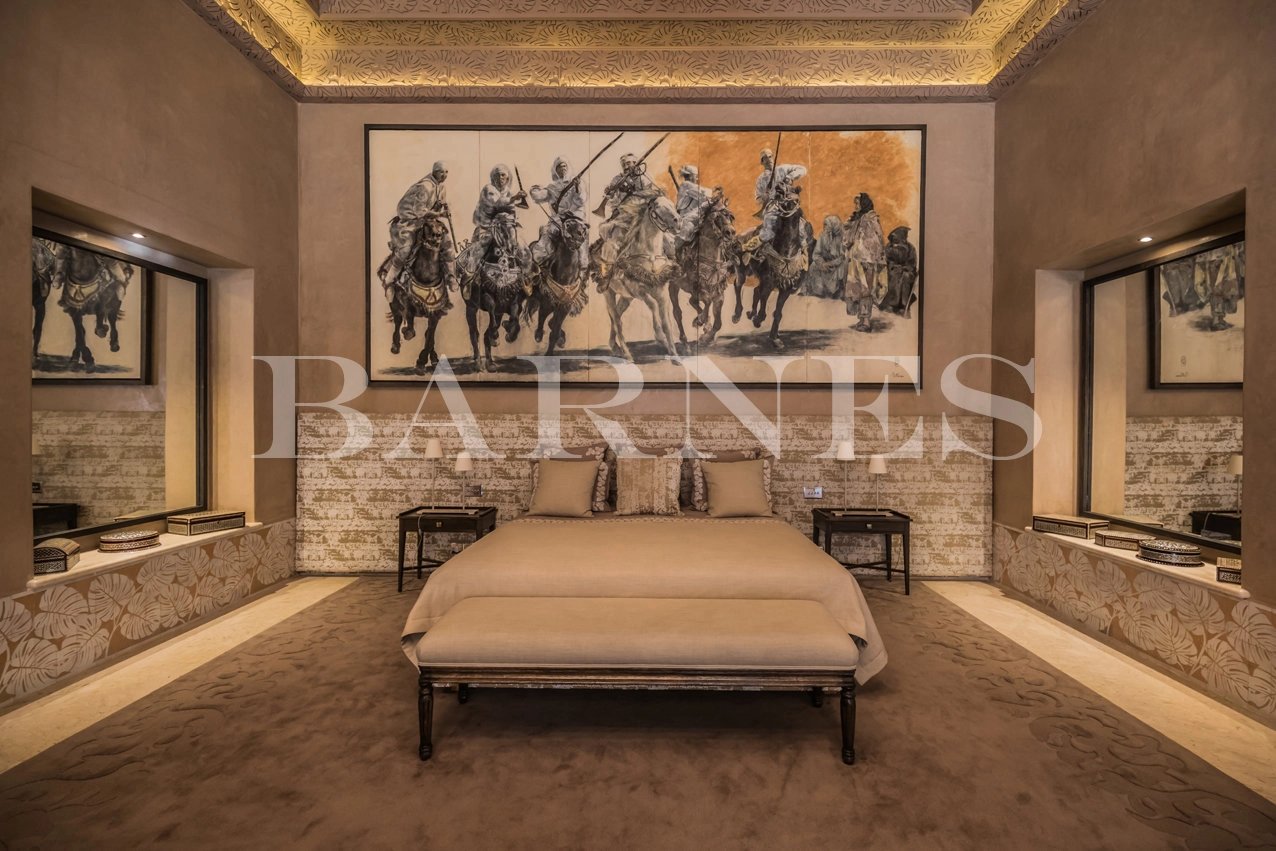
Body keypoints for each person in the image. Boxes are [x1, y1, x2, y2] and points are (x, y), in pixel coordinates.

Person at [594, 152, 665, 291]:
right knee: (611, 243)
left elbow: (653, 193)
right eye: (624, 164)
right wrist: (610, 193)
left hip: (643, 213)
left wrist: (633, 191)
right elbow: (612, 199)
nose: (627, 166)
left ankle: (670, 264)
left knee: (666, 237)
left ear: (635, 164)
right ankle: (605, 276)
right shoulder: (617, 179)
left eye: (629, 163)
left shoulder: (644, 177)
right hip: (623, 215)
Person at [458, 164, 529, 295]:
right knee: (478, 250)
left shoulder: (509, 192)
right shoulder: (489, 189)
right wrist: (515, 198)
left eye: (503, 175)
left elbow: (513, 211)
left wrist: (515, 211)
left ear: (508, 178)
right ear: (493, 177)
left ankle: (526, 278)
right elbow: (497, 202)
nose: (500, 178)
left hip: (506, 226)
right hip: (487, 226)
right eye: (497, 175)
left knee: (523, 249)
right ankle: (468, 280)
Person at [383, 161, 454, 290]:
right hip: (410, 221)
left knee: (447, 242)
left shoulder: (441, 186)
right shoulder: (425, 187)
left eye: (446, 172)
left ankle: (451, 276)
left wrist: (444, 208)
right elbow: (419, 211)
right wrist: (440, 214)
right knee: (405, 248)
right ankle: (390, 278)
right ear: (434, 172)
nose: (444, 175)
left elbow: (439, 205)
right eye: (441, 172)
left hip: (428, 221)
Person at [743, 148, 807, 253]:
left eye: (770, 156)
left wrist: (789, 177)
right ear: (762, 162)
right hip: (772, 207)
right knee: (768, 231)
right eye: (765, 158)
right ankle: (751, 247)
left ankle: (804, 253)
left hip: (788, 202)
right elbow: (758, 199)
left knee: (801, 227)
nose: (769, 160)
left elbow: (803, 169)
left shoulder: (783, 169)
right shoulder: (761, 179)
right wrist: (764, 197)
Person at [529, 156, 588, 268]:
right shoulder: (552, 187)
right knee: (547, 234)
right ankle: (539, 261)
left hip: (576, 218)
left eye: (564, 166)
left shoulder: (577, 183)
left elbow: (581, 201)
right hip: (558, 220)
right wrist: (534, 191)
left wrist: (577, 188)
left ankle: (583, 263)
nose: (562, 168)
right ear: (555, 170)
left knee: (581, 235)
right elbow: (540, 196)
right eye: (559, 167)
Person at [844, 192, 886, 332]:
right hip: (855, 260)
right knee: (857, 289)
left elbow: (876, 240)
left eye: (858, 203)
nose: (855, 206)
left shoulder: (871, 219)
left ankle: (866, 321)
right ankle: (862, 318)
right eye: (855, 203)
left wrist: (870, 259)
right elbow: (848, 238)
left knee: (866, 289)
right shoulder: (857, 219)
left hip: (867, 260)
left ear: (864, 203)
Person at [803, 215, 847, 300]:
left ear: (834, 225)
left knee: (843, 267)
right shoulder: (823, 236)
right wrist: (822, 263)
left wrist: (830, 264)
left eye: (827, 225)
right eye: (824, 225)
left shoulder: (843, 237)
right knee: (813, 266)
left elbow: (843, 256)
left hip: (837, 264)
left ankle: (838, 291)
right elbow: (816, 254)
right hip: (824, 263)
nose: (825, 227)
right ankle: (819, 291)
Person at [883, 225, 918, 315]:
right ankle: (892, 304)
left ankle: (904, 305)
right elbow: (887, 261)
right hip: (893, 270)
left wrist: (905, 268)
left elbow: (912, 263)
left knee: (906, 277)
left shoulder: (910, 248)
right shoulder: (889, 247)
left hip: (907, 271)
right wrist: (895, 267)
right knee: (895, 275)